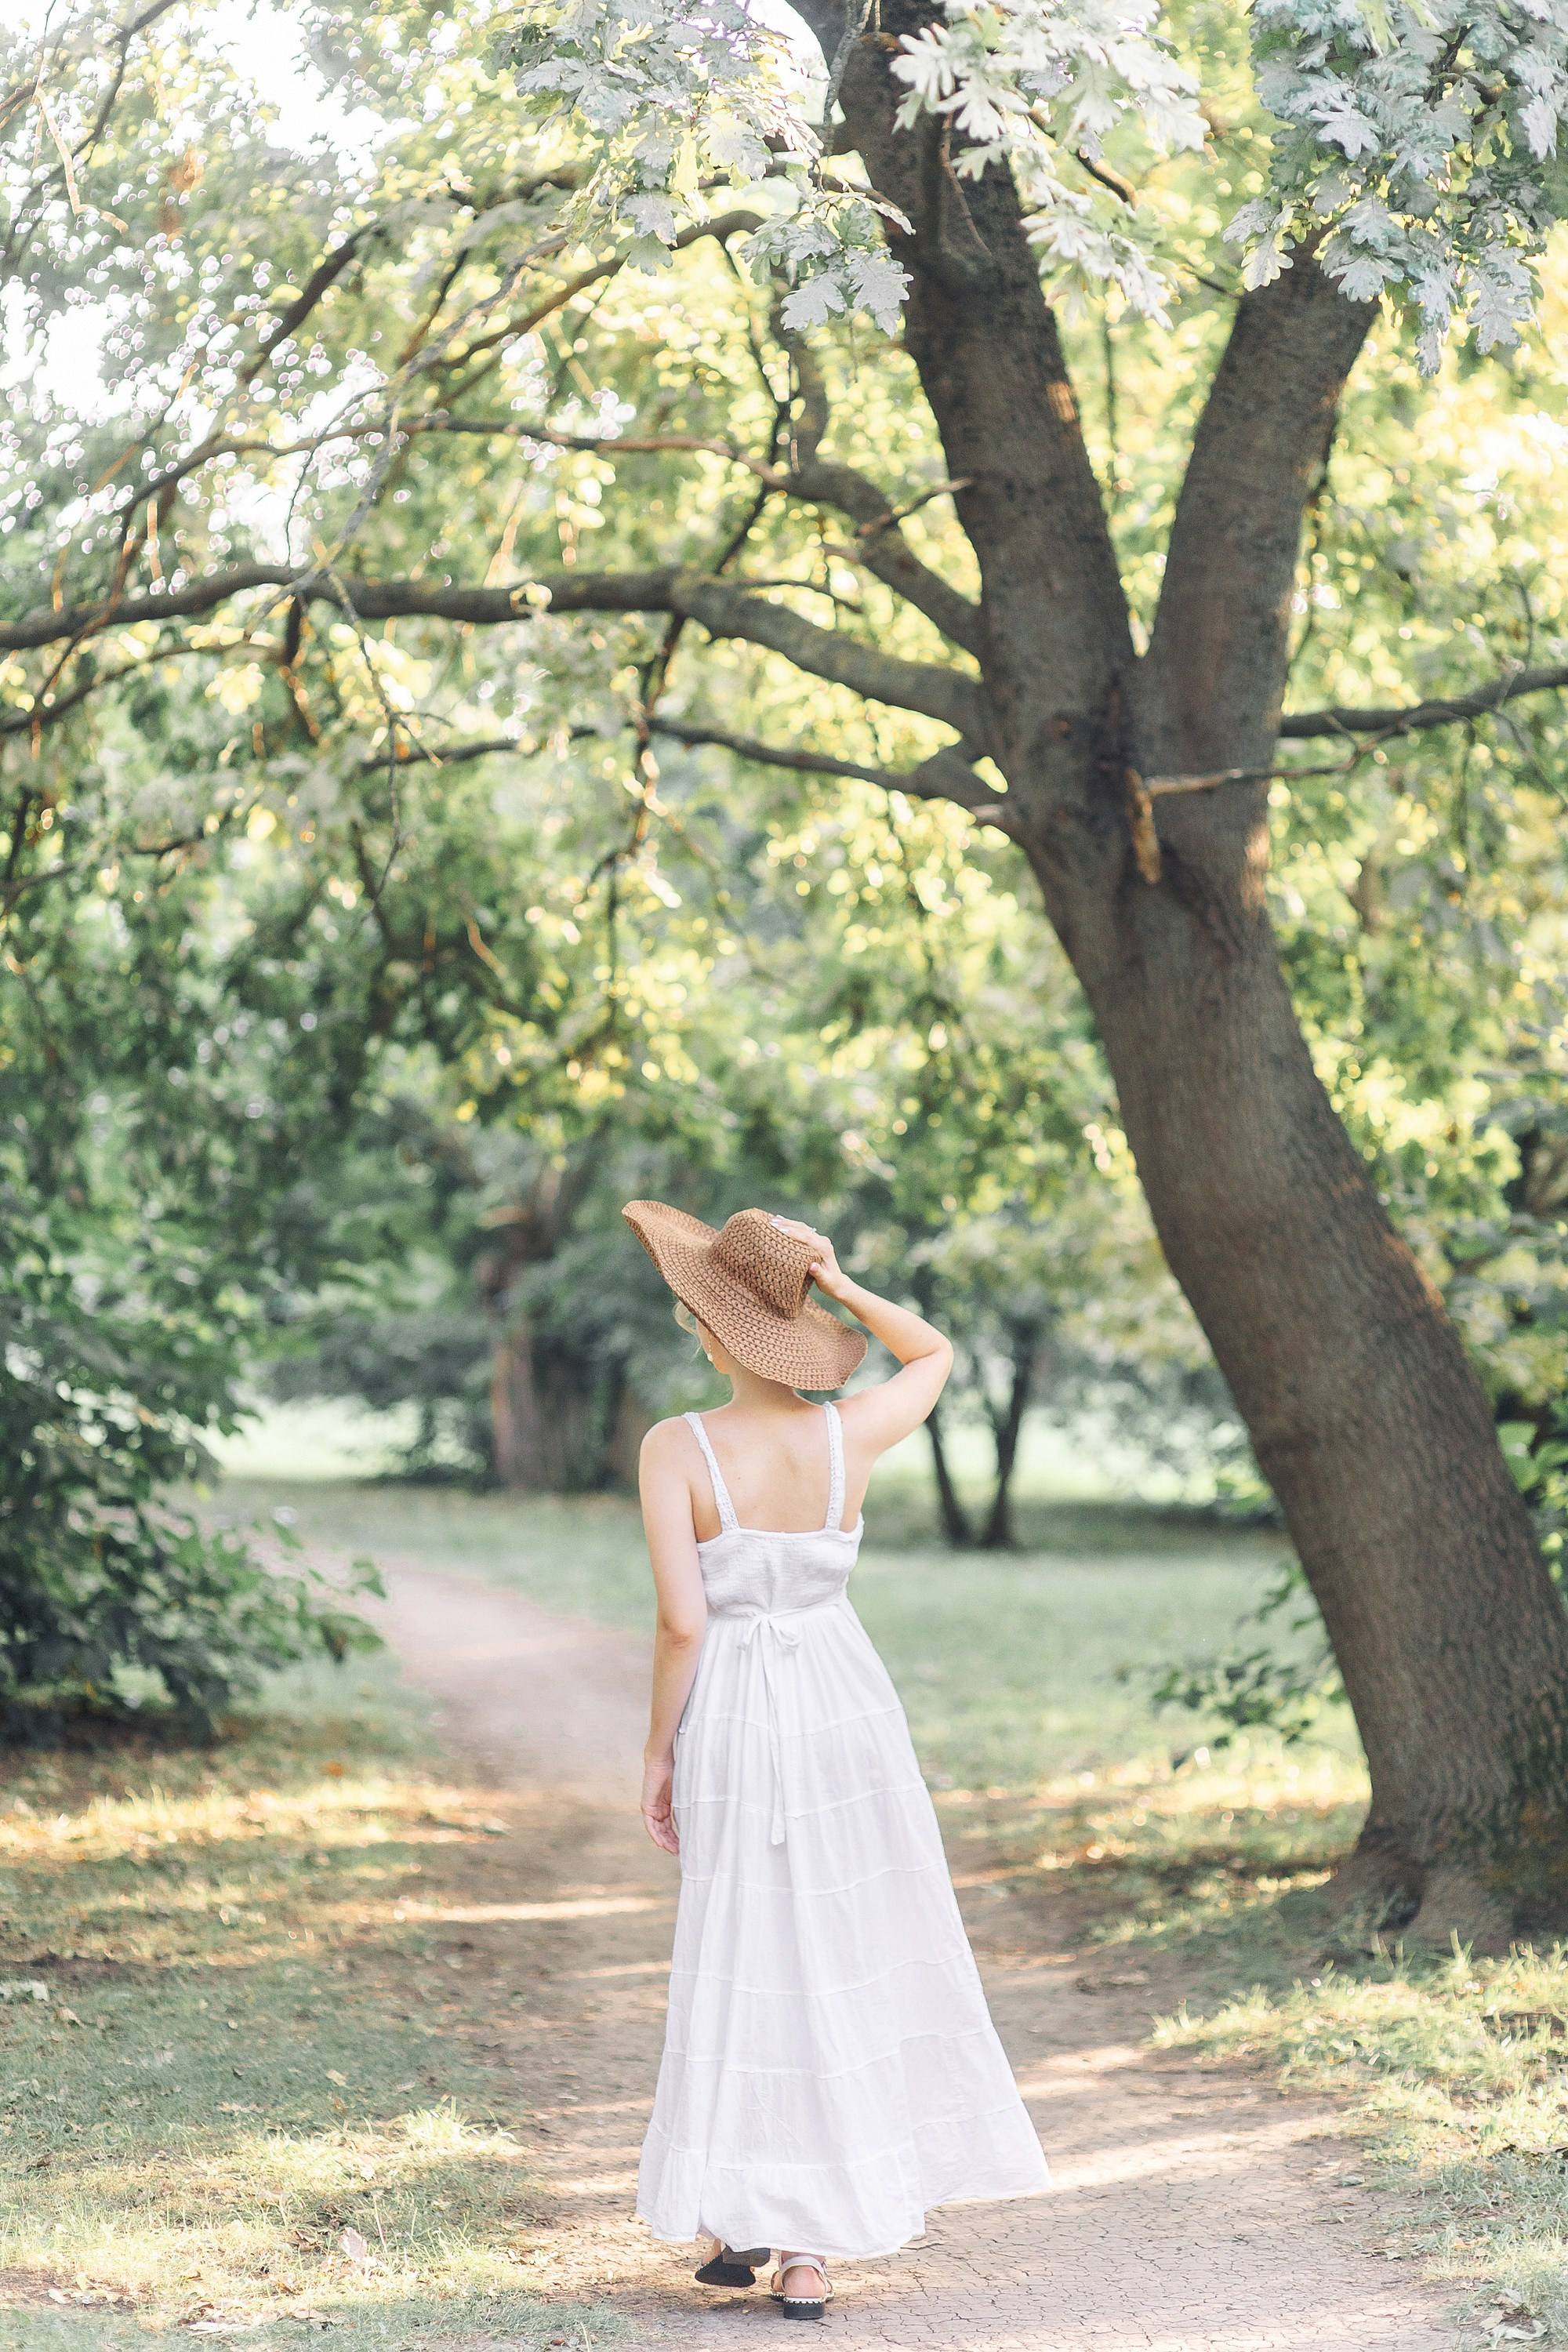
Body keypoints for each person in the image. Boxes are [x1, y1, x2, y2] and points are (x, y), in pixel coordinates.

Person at [622, 1200, 1049, 2322]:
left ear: (714, 1329)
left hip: (735, 1718)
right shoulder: (847, 1433)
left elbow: (681, 1625)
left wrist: (659, 1754)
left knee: (744, 1942)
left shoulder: (678, 1448)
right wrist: (839, 1286)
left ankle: (743, 2217)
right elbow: (935, 1352)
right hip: (845, 1711)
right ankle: (807, 2250)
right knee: (836, 1946)